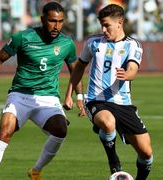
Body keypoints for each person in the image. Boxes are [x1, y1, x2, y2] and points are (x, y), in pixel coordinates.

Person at [0, 2, 85, 180]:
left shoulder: (67, 43)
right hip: (20, 95)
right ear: (42, 19)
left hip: (48, 99)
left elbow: (76, 71)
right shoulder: (23, 37)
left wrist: (79, 96)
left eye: (60, 22)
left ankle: (36, 170)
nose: (56, 26)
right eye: (52, 21)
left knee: (60, 130)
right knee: (5, 131)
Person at [63, 4, 153, 180]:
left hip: (124, 104)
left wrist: (127, 74)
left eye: (107, 25)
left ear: (120, 23)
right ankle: (114, 162)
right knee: (108, 122)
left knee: (147, 153)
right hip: (96, 101)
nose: (103, 29)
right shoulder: (93, 42)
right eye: (101, 25)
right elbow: (79, 68)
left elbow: (133, 69)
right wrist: (71, 94)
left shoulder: (133, 45)